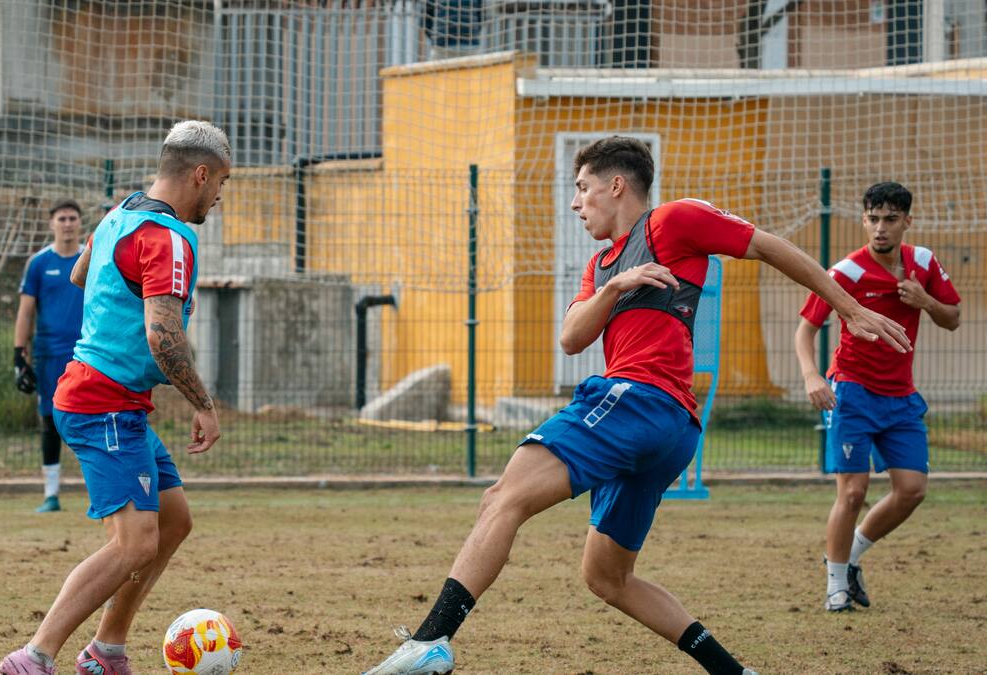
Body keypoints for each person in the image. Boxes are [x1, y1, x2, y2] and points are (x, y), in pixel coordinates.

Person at [362, 136, 910, 675]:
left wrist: (849, 308)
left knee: (503, 497)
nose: (575, 203)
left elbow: (768, 245)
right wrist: (614, 287)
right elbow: (571, 338)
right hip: (668, 429)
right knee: (607, 578)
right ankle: (733, 672)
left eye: (582, 188)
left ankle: (431, 641)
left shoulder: (672, 221)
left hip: (639, 400)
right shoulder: (602, 266)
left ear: (616, 185)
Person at [0, 119, 231, 675]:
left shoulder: (122, 213)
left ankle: (106, 651)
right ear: (200, 174)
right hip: (102, 402)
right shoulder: (169, 238)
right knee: (133, 544)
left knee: (172, 523)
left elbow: (82, 274)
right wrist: (203, 403)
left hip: (110, 398)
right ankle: (33, 657)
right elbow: (162, 333)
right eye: (222, 182)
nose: (221, 195)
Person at [794, 182, 960, 613]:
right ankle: (835, 587)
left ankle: (848, 557)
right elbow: (806, 330)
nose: (880, 228)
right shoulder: (845, 273)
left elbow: (953, 318)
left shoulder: (922, 263)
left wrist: (924, 301)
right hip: (852, 390)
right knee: (852, 492)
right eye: (872, 219)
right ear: (863, 220)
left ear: (907, 221)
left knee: (912, 489)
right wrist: (813, 376)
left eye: (889, 219)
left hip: (901, 396)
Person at [14, 198, 86, 513]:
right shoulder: (39, 263)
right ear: (51, 223)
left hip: (87, 353)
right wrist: (19, 353)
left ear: (80, 223)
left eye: (72, 218)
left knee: (90, 417)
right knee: (50, 420)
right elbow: (26, 311)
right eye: (62, 218)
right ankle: (51, 495)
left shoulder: (91, 258)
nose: (67, 223)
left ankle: (101, 491)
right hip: (49, 354)